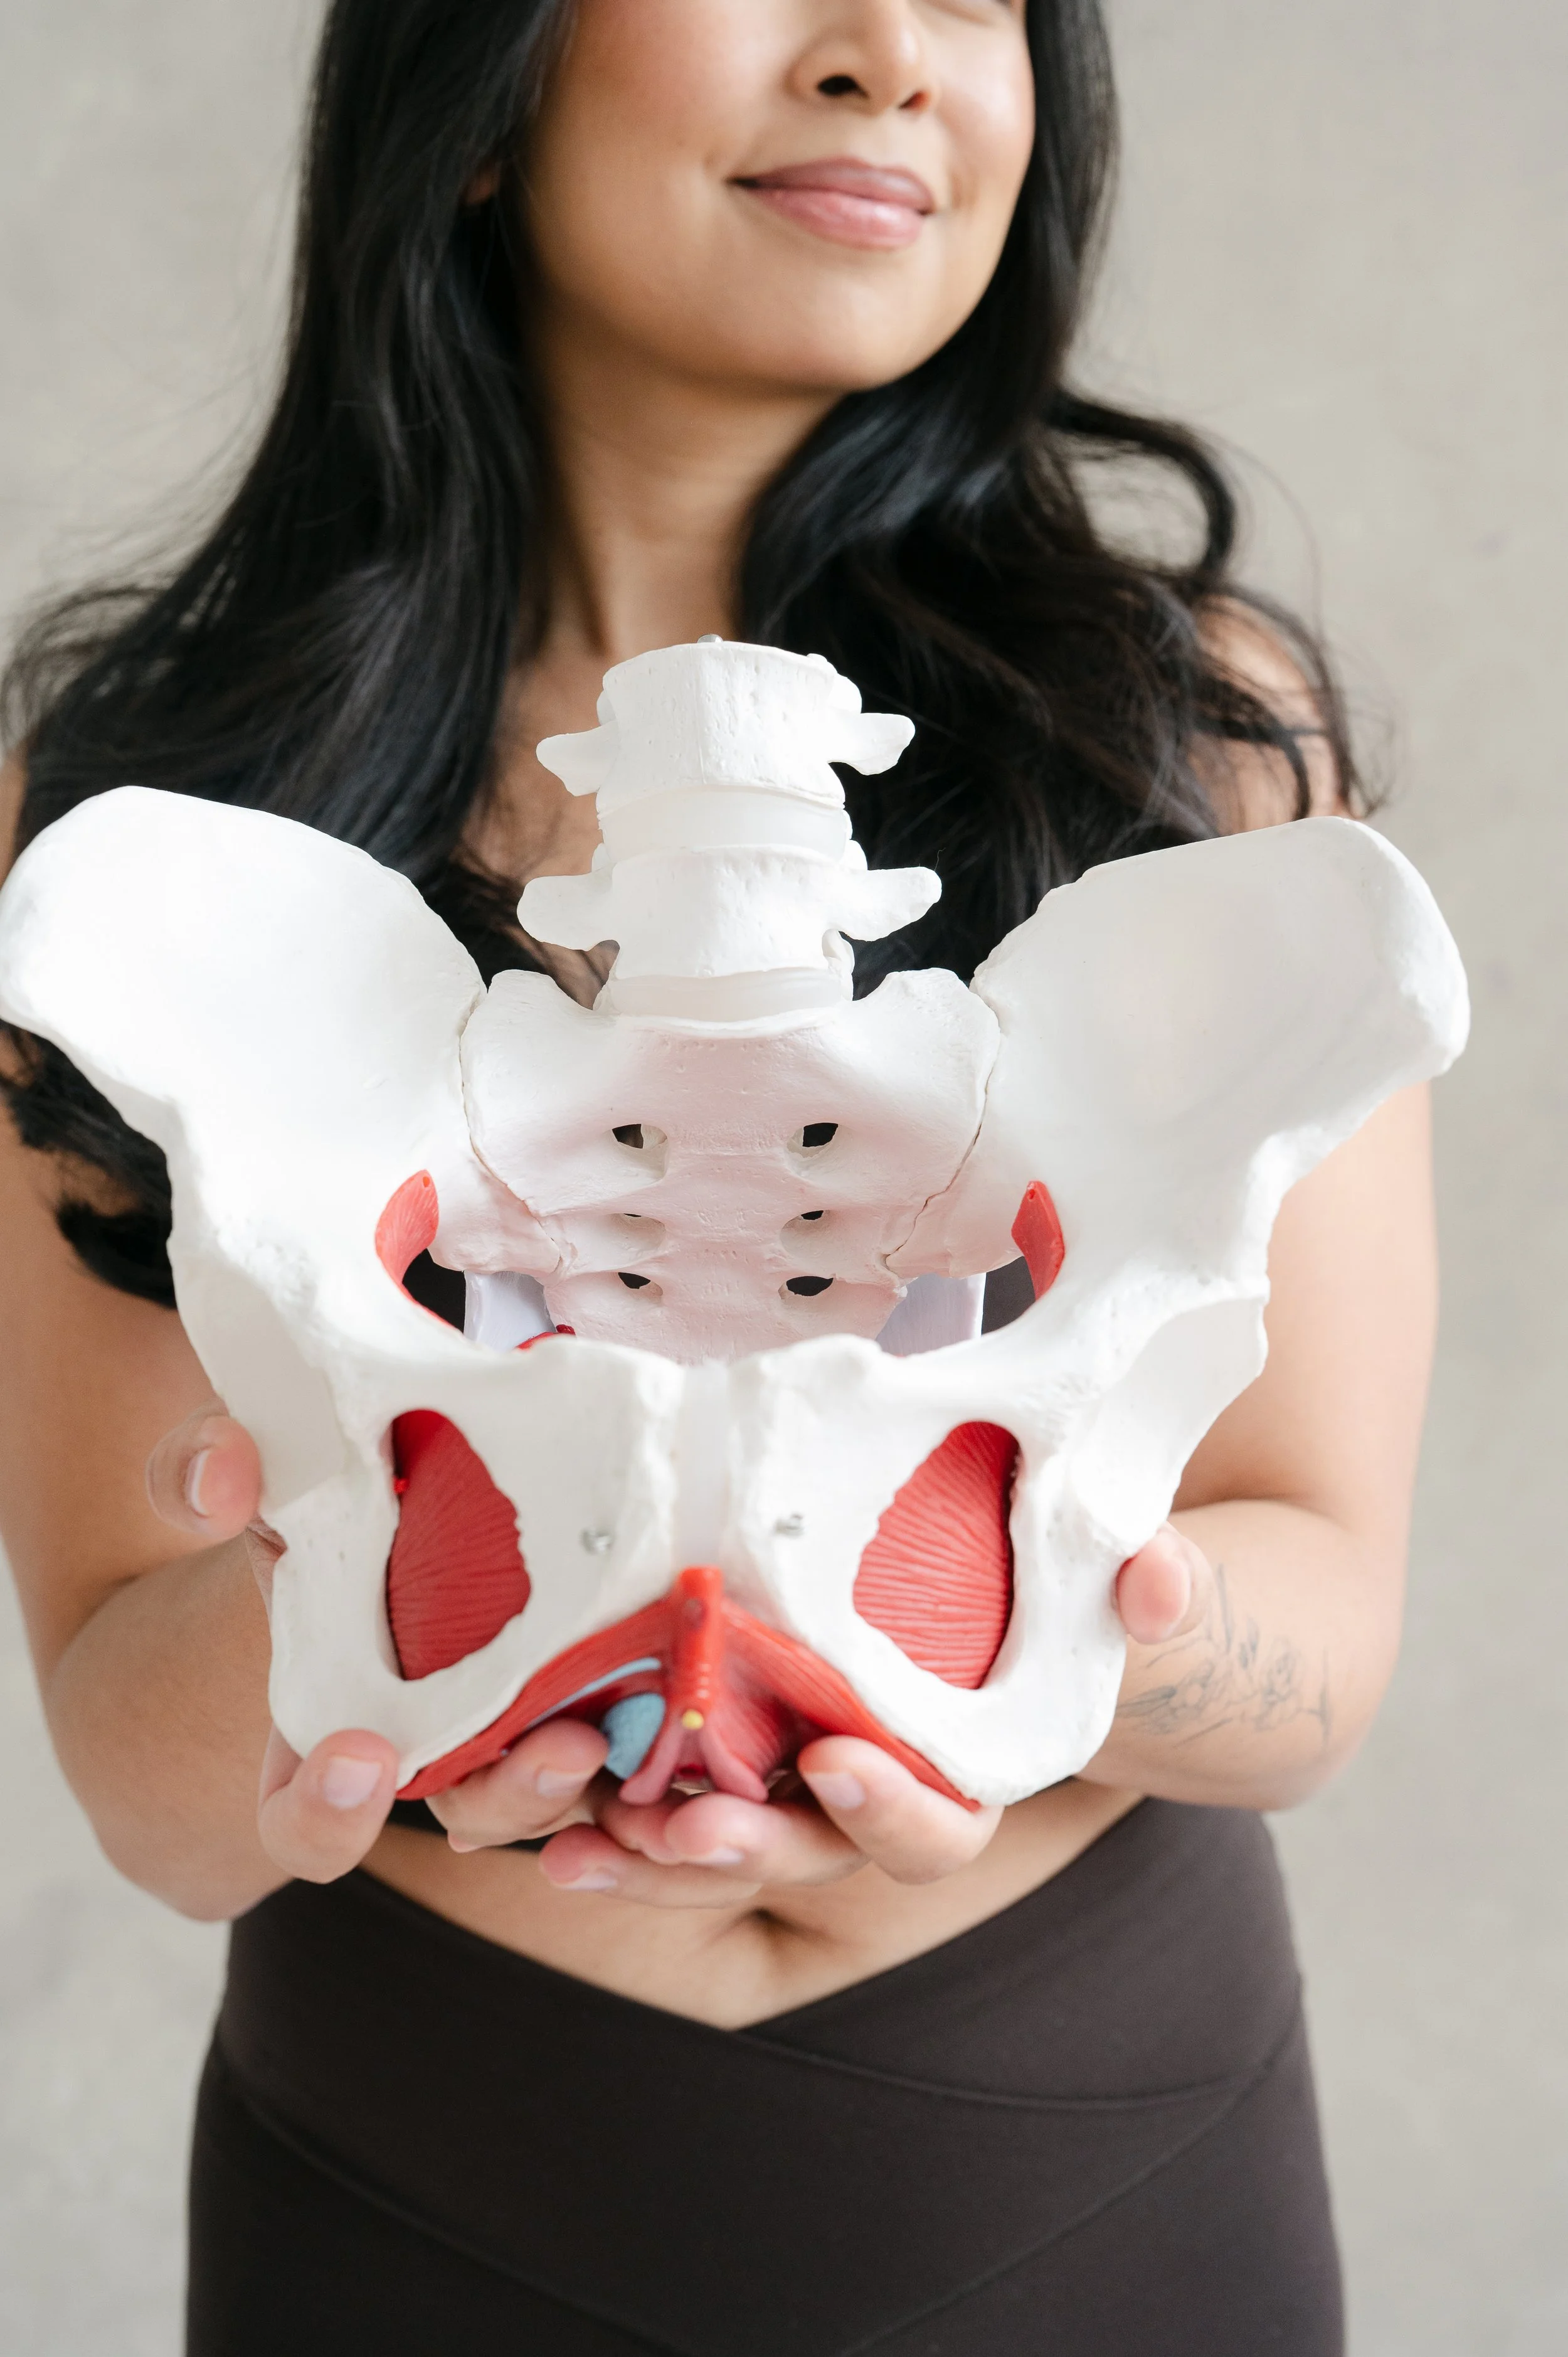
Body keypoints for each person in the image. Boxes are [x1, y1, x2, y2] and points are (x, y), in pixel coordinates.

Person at [0, 5, 1439, 2351]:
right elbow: (145, 1786)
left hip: (1079, 2126)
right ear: (476, 91)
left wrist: (999, 1613)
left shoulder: (1189, 756)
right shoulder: (172, 813)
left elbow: (1320, 1654)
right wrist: (418, 1585)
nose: (890, 55)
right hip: (425, 2153)